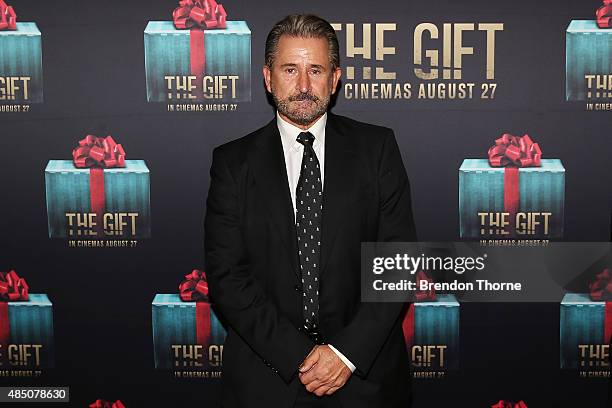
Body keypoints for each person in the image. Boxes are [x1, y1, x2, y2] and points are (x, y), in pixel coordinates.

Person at [204, 14, 417, 408]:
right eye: (290, 69)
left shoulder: (377, 149)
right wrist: (299, 356)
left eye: (315, 70)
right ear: (268, 78)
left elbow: (397, 262)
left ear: (335, 79)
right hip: (266, 381)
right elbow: (227, 277)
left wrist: (345, 354)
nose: (303, 86)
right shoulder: (232, 163)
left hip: (365, 381)